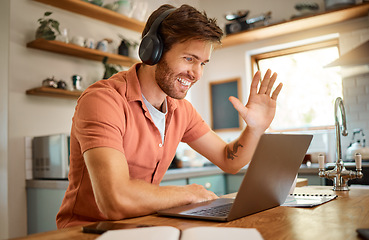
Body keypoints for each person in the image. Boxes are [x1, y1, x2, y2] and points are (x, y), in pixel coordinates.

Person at [56, 4, 282, 228]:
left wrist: (254, 128)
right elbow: (114, 200)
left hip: (142, 228)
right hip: (87, 232)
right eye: (189, 59)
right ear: (153, 50)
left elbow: (228, 160)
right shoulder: (103, 101)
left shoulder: (180, 109)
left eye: (202, 63)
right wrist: (189, 193)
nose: (197, 74)